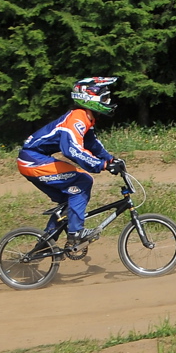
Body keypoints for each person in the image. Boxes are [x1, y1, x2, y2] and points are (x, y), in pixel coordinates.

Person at [17, 77, 125, 251]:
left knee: (70, 199)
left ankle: (46, 244)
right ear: (89, 99)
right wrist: (102, 165)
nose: (108, 102)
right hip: (33, 160)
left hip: (34, 158)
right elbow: (72, 150)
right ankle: (76, 234)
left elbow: (92, 144)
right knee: (83, 181)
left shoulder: (86, 117)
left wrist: (110, 159)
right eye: (104, 98)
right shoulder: (77, 118)